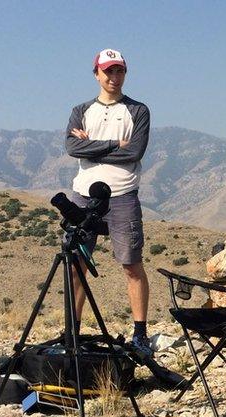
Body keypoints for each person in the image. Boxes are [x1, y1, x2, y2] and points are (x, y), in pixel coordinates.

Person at [64, 48, 152, 354]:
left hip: (123, 194)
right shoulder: (80, 110)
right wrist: (114, 143)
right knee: (77, 265)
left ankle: (140, 332)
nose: (114, 77)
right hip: (83, 194)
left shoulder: (138, 111)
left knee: (131, 265)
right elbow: (73, 147)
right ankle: (71, 333)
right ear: (97, 74)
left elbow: (134, 153)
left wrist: (92, 145)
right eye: (108, 71)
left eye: (119, 71)